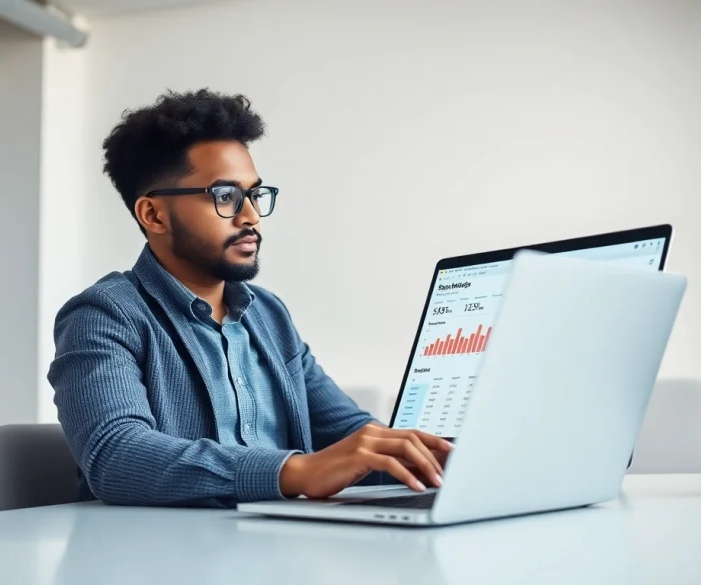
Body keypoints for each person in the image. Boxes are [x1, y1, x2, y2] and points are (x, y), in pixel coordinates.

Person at [48, 89, 452, 507]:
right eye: (225, 196)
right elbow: (117, 457)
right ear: (154, 215)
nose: (251, 216)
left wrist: (443, 460)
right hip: (163, 556)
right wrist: (296, 471)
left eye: (254, 194)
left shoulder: (269, 315)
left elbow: (353, 439)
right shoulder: (104, 314)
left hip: (279, 548)